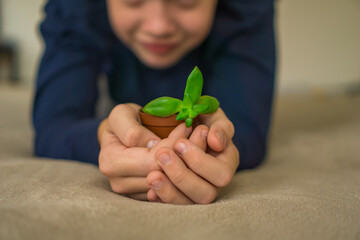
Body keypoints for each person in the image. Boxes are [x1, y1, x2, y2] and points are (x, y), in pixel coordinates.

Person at [33, 0, 276, 204]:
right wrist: (103, 135)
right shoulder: (74, 8)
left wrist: (218, 145)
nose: (159, 27)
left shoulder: (248, 8)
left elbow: (247, 129)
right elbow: (54, 125)